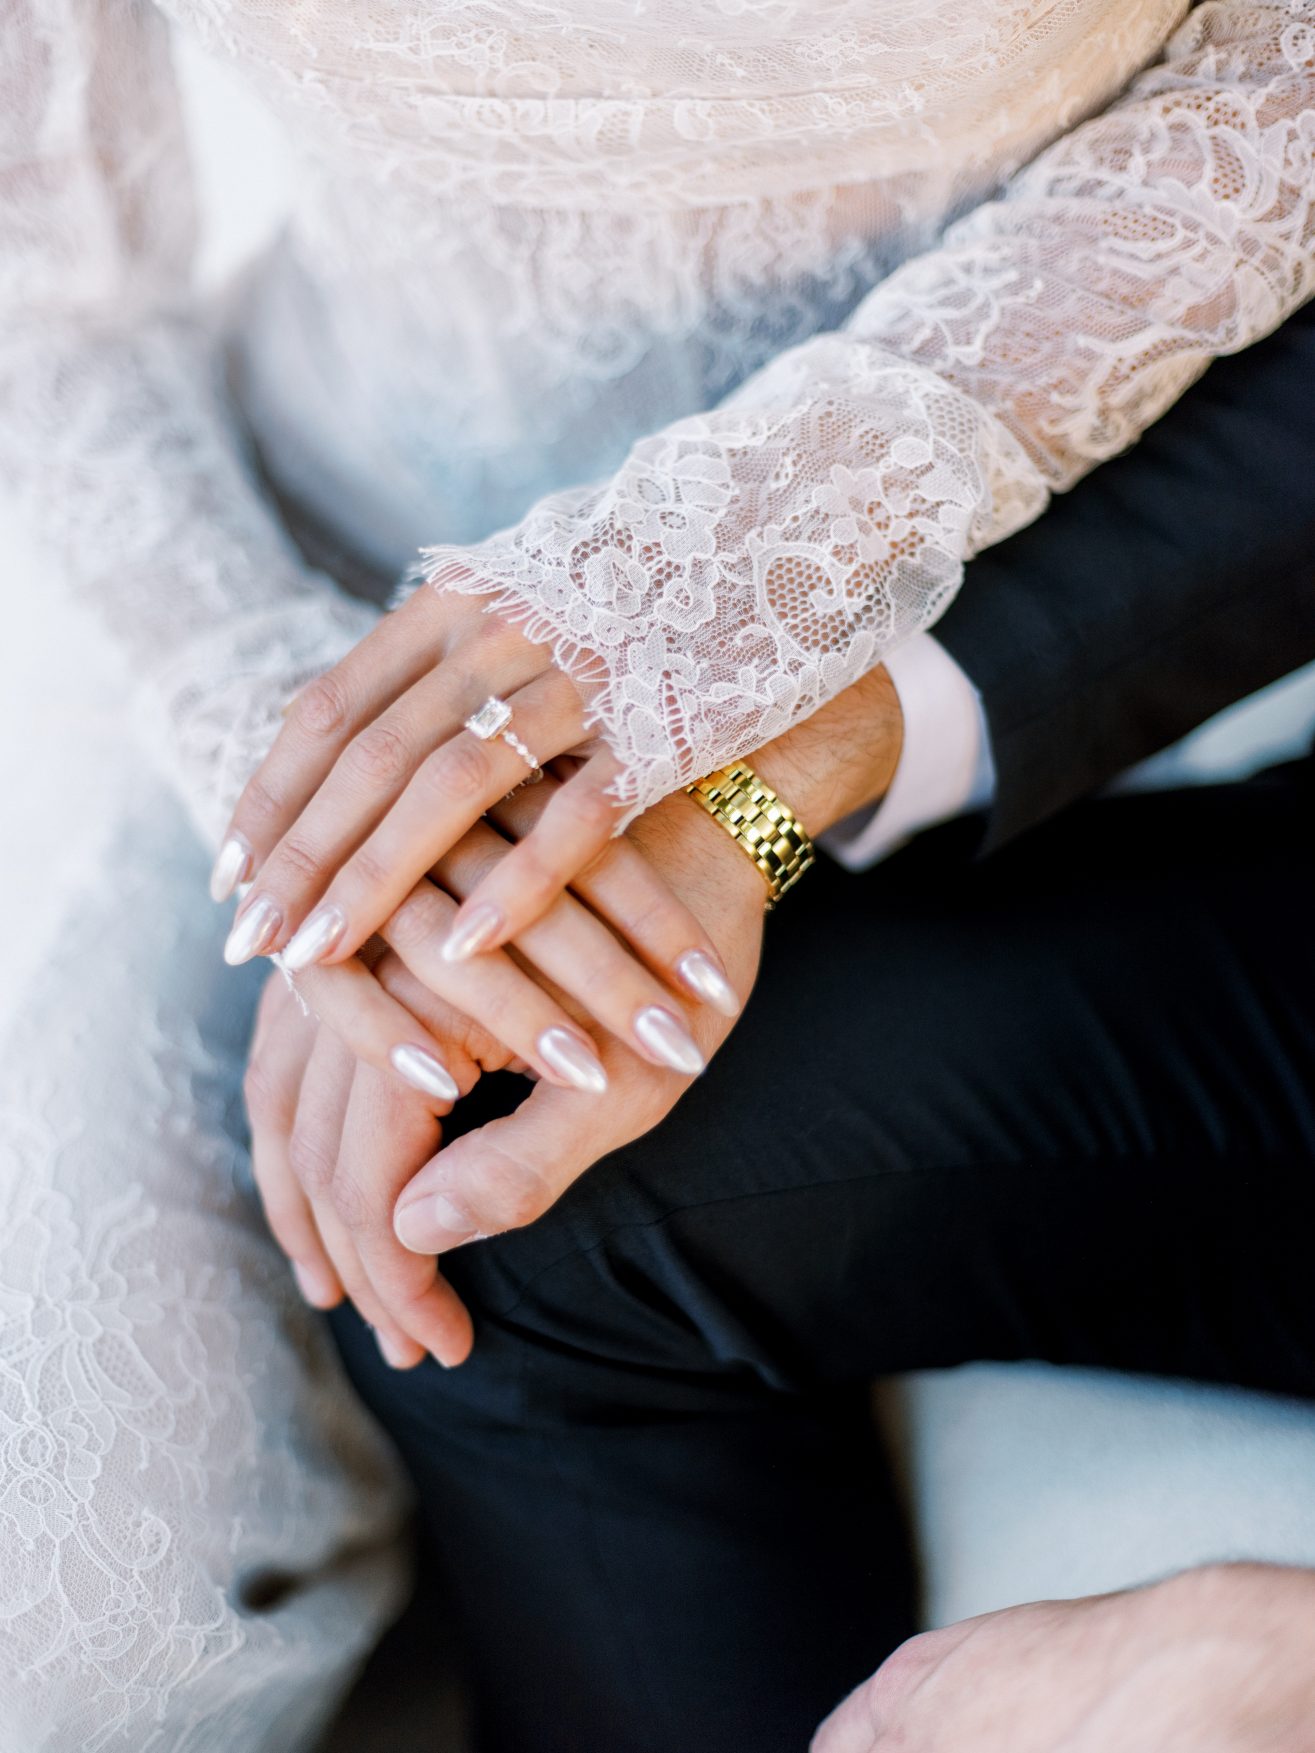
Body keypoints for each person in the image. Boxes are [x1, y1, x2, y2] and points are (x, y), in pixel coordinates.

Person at [2, 1, 1314, 1748]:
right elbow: (42, 277)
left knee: (488, 1212)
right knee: (74, 1576)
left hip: (1020, 578)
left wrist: (711, 623)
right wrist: (330, 804)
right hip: (286, 574)